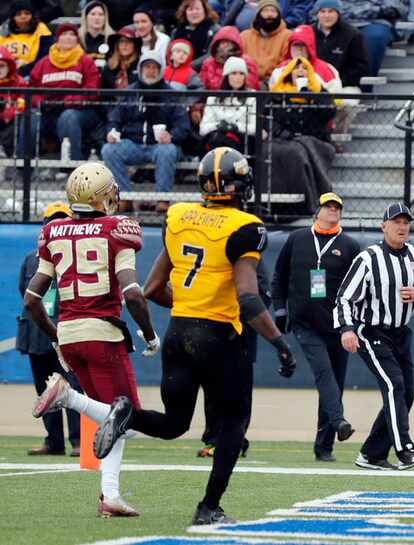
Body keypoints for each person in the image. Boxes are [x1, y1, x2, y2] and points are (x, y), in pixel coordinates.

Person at [92, 147, 296, 526]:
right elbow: (248, 298)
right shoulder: (244, 226)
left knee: (175, 424)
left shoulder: (180, 215)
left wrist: (190, 306)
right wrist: (280, 344)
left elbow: (152, 288)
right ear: (240, 185)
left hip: (179, 333)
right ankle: (208, 507)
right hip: (219, 338)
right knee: (233, 424)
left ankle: (126, 415)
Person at [26, 163, 160, 516]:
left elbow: (31, 301)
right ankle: (67, 396)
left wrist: (57, 338)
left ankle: (110, 496)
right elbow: (132, 293)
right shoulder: (117, 229)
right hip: (101, 332)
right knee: (128, 419)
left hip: (69, 333)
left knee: (113, 419)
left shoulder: (54, 231)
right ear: (102, 196)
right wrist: (149, 334)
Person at [335, 202, 414, 471]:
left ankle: (372, 454)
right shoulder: (368, 258)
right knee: (394, 386)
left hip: (402, 333)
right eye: (396, 222)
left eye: (406, 223)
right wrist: (346, 329)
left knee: (407, 394)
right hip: (371, 331)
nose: (402, 227)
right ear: (384, 226)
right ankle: (405, 450)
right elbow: (344, 297)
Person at [271, 192, 361, 461]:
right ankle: (340, 421)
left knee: (335, 381)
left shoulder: (348, 245)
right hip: (305, 322)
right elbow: (279, 275)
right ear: (317, 211)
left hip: (338, 325)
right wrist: (280, 310)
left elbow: (358, 287)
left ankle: (324, 447)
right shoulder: (297, 239)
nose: (333, 210)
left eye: (337, 207)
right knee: (324, 373)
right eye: (328, 206)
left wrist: (352, 324)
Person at [17, 202, 83, 457]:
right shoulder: (29, 260)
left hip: (66, 332)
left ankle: (77, 441)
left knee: (73, 389)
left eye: (61, 221)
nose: (56, 226)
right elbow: (25, 293)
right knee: (45, 391)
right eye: (51, 222)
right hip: (36, 334)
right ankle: (53, 441)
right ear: (44, 226)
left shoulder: (74, 256)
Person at [102, 49, 191, 213]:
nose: (151, 71)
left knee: (168, 150)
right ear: (141, 69)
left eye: (154, 67)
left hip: (159, 146)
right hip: (133, 144)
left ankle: (163, 199)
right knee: (109, 150)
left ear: (160, 70)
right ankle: (125, 197)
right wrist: (112, 132)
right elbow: (114, 119)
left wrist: (171, 136)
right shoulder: (130, 92)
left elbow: (183, 126)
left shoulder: (171, 94)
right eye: (147, 67)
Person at [198, 259, 270, 458]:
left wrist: (241, 317)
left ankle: (236, 440)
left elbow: (262, 294)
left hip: (242, 332)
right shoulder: (213, 255)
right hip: (212, 328)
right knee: (212, 389)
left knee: (240, 391)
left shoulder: (251, 257)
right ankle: (213, 439)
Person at [267, 56, 337, 214]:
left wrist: (307, 94)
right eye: (296, 67)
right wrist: (278, 131)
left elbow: (329, 113)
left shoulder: (319, 91)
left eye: (304, 68)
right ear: (289, 72)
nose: (300, 70)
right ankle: (276, 204)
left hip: (314, 140)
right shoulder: (279, 93)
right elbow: (266, 116)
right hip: (284, 139)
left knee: (297, 153)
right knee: (271, 151)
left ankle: (306, 203)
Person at [25, 24, 102, 162]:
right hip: (48, 111)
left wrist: (70, 100)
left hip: (80, 111)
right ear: (57, 38)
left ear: (77, 40)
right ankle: (22, 164)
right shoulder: (43, 63)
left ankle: (72, 164)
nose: (68, 37)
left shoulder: (85, 61)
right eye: (64, 34)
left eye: (72, 34)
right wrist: (42, 102)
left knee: (68, 117)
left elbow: (92, 90)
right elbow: (32, 89)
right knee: (32, 117)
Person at [312, 0, 368, 143]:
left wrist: (336, 82)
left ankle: (336, 139)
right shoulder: (309, 32)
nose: (327, 15)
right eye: (323, 11)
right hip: (313, 84)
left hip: (343, 84)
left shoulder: (353, 35)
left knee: (349, 102)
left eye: (331, 11)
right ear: (317, 13)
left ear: (338, 13)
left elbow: (360, 66)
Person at [338, 0, 406, 86]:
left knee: (376, 37)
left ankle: (364, 86)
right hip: (339, 20)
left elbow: (398, 8)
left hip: (374, 22)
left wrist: (368, 10)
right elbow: (328, 7)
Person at [200, 56, 257, 153]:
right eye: (234, 73)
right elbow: (203, 129)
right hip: (217, 140)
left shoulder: (252, 97)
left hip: (242, 142)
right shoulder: (213, 98)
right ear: (227, 75)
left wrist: (236, 127)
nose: (238, 77)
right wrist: (218, 126)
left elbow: (255, 128)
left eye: (241, 73)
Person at [271, 24, 341, 93]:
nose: (299, 49)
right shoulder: (280, 69)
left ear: (310, 47)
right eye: (295, 44)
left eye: (303, 45)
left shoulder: (326, 69)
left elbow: (335, 98)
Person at [239, 0, 290, 82]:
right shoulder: (244, 36)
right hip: (247, 83)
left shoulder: (287, 36)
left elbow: (286, 64)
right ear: (258, 15)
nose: (269, 14)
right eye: (265, 11)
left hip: (276, 84)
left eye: (273, 11)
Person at [0, 0, 54, 77]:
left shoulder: (41, 30)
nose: (23, 17)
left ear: (32, 15)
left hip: (31, 73)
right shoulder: (2, 30)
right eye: (18, 14)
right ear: (13, 18)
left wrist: (23, 70)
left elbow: (45, 57)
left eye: (27, 13)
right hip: (3, 72)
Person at [199, 25, 259, 90]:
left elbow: (252, 84)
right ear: (217, 44)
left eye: (229, 42)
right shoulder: (208, 63)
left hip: (242, 97)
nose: (226, 45)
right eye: (223, 42)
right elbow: (202, 86)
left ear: (236, 44)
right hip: (213, 98)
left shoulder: (246, 62)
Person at [171, 0, 220, 68]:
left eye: (197, 9)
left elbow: (211, 55)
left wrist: (189, 66)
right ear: (185, 12)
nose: (194, 12)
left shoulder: (215, 30)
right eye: (190, 9)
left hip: (204, 71)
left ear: (205, 11)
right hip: (178, 70)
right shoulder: (176, 32)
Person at [0, 45, 25, 161]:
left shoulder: (19, 82)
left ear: (9, 67)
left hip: (13, 120)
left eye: (1, 66)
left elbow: (24, 101)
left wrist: (10, 112)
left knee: (21, 118)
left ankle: (5, 151)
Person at [79, 0, 115, 68]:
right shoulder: (78, 38)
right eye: (93, 14)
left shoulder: (113, 38)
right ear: (86, 17)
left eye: (101, 14)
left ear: (105, 17)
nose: (97, 18)